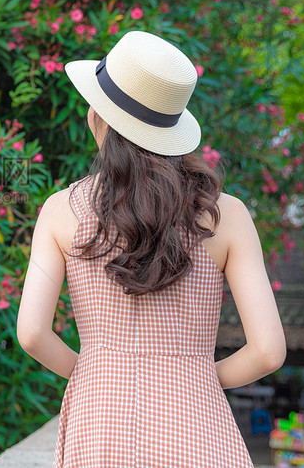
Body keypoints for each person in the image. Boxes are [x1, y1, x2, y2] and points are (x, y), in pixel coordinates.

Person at [16, 30, 286, 467]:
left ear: (98, 118)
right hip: (198, 425)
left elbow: (32, 334)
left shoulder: (59, 210)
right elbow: (269, 351)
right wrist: (195, 374)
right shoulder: (227, 214)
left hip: (97, 423)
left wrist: (94, 372)